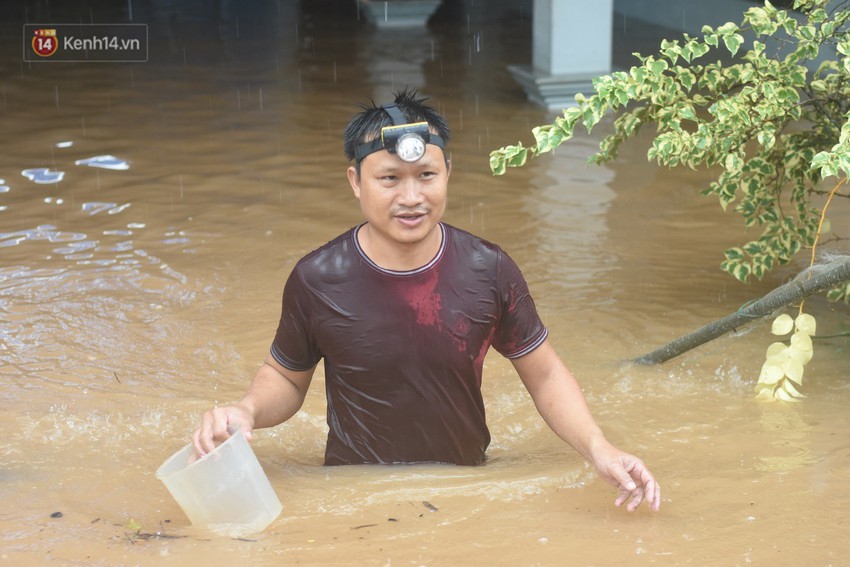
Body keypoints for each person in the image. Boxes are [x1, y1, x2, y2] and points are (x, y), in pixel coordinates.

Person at [193, 88, 661, 512]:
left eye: (426, 175)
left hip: (467, 494)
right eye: (390, 178)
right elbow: (286, 378)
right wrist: (247, 410)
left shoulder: (488, 268)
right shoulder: (317, 279)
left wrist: (601, 448)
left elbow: (545, 375)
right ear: (355, 181)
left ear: (448, 173)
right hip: (354, 496)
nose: (411, 196)